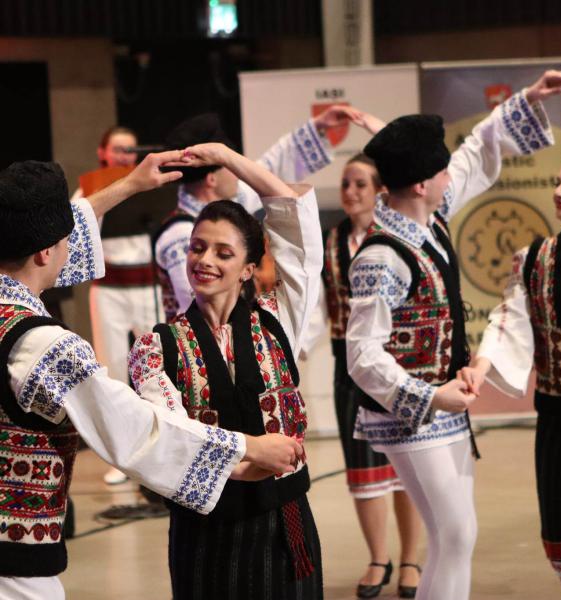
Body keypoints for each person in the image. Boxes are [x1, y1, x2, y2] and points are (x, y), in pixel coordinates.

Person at [0, 154, 303, 600]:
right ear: (47, 251)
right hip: (12, 563)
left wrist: (128, 186)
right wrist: (247, 447)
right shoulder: (47, 346)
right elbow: (134, 429)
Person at [345, 70, 561, 600]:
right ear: (421, 183)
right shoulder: (382, 257)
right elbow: (361, 355)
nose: (452, 177)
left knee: (457, 535)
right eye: (442, 172)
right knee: (455, 535)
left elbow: (475, 154)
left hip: (442, 403)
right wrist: (430, 396)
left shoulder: (429, 219)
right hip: (413, 411)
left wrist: (527, 99)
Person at [128, 142, 323, 599]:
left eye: (223, 253)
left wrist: (227, 157)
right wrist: (247, 459)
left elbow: (297, 226)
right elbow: (169, 438)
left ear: (248, 269)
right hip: (207, 534)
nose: (205, 261)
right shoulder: (156, 347)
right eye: (197, 248)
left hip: (286, 522)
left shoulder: (277, 319)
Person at [459, 137, 561, 598]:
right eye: (558, 182)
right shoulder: (536, 258)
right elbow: (509, 320)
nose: (560, 190)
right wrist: (480, 367)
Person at [302, 149, 423, 599]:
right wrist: (294, 349)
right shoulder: (331, 242)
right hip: (349, 369)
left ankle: (410, 558)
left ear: (380, 191)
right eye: (346, 184)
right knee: (363, 469)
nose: (351, 192)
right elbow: (317, 307)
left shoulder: (396, 238)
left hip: (396, 363)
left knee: (406, 466)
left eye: (360, 184)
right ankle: (378, 556)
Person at [153, 105, 365, 322]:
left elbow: (269, 171)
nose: (239, 174)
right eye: (230, 167)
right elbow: (199, 303)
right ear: (212, 179)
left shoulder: (228, 206)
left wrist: (318, 127)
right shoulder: (181, 233)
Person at [72, 126, 163, 485]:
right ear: (103, 152)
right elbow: (77, 227)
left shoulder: (150, 183)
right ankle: (120, 457)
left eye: (130, 149)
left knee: (157, 366)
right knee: (111, 370)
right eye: (118, 149)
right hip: (110, 288)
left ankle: (161, 449)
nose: (125, 155)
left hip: (148, 285)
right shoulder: (91, 187)